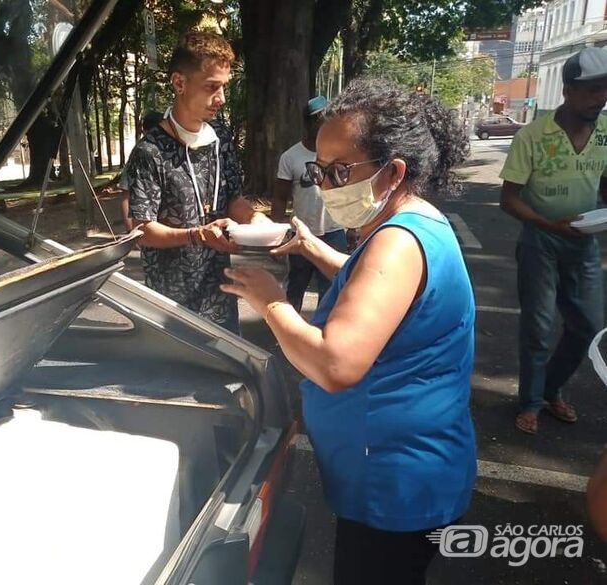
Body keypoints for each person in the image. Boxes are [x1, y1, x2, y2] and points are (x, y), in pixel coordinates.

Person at [221, 79, 476, 585]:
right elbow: (380, 296)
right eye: (319, 171)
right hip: (399, 470)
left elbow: (335, 363)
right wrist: (312, 248)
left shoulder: (397, 242)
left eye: (340, 172)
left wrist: (269, 300)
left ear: (394, 171)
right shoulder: (412, 222)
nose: (325, 187)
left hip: (394, 480)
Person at [124, 31, 269, 334]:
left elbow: (233, 199)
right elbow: (141, 231)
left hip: (220, 294)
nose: (221, 99)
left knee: (225, 373)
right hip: (171, 302)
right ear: (179, 83)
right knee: (178, 378)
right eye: (212, 87)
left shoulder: (221, 139)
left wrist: (258, 221)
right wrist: (196, 235)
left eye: (224, 87)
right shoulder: (150, 151)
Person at [499, 47, 607, 435]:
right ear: (568, 90)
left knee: (589, 326)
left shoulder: (606, 133)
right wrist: (548, 223)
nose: (600, 98)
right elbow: (508, 199)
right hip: (541, 241)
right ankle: (530, 401)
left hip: (585, 243)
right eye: (592, 90)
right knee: (538, 326)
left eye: (605, 89)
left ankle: (550, 388)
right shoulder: (533, 136)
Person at [272, 96, 348, 311]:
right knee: (295, 289)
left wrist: (353, 228)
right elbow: (280, 197)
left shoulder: (339, 153)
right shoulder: (291, 157)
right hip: (301, 234)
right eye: (318, 119)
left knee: (332, 289)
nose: (324, 123)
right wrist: (278, 233)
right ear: (307, 122)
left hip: (334, 232)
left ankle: (322, 334)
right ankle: (286, 335)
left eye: (328, 118)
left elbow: (349, 190)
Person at [117, 111, 164, 233]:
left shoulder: (165, 150)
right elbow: (126, 194)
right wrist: (131, 233)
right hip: (146, 226)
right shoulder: (140, 152)